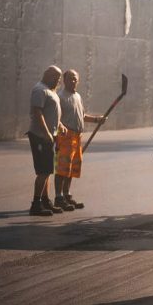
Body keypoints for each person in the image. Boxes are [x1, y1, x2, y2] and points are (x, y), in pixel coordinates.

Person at [54, 69, 105, 212]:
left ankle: (67, 195)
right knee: (62, 168)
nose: (73, 81)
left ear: (78, 80)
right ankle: (58, 197)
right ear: (64, 80)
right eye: (70, 78)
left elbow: (82, 115)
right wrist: (58, 133)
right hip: (65, 136)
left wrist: (96, 120)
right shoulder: (60, 97)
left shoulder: (77, 96)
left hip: (77, 137)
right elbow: (56, 118)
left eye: (75, 79)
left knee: (71, 168)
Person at [27, 65, 66, 216]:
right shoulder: (40, 89)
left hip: (49, 136)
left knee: (48, 171)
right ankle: (36, 205)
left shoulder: (51, 90)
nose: (58, 81)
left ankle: (45, 201)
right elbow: (38, 113)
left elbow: (52, 112)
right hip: (40, 136)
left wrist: (60, 125)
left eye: (59, 78)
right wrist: (47, 133)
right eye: (56, 77)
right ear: (47, 75)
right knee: (43, 171)